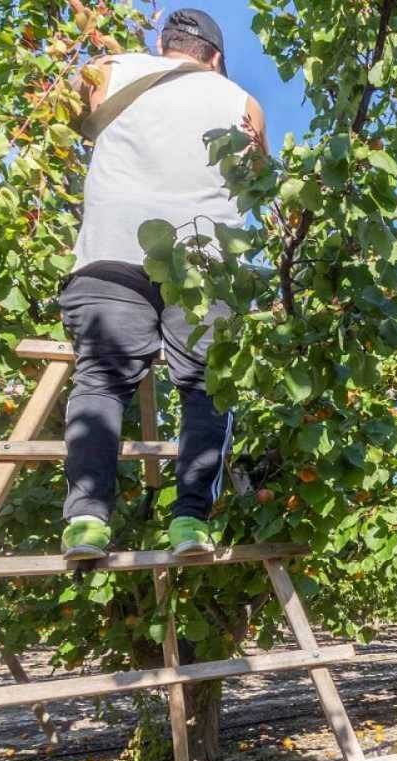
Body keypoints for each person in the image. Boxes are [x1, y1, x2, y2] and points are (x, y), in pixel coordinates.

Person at [57, 9, 267, 560]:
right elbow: (260, 185)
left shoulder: (110, 70)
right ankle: (191, 523)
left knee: (100, 383)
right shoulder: (240, 101)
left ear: (162, 45)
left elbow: (67, 114)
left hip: (111, 252)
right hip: (205, 264)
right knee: (206, 387)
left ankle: (85, 520)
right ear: (215, 58)